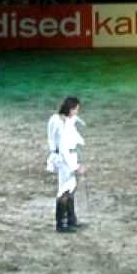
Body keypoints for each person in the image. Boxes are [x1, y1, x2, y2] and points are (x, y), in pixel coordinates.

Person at [47, 96, 86, 233]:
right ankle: (61, 224)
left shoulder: (58, 119)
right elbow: (63, 148)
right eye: (76, 110)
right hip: (65, 159)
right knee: (65, 190)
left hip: (66, 157)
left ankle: (71, 219)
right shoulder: (61, 124)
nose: (77, 112)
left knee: (70, 188)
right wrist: (75, 167)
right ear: (71, 109)